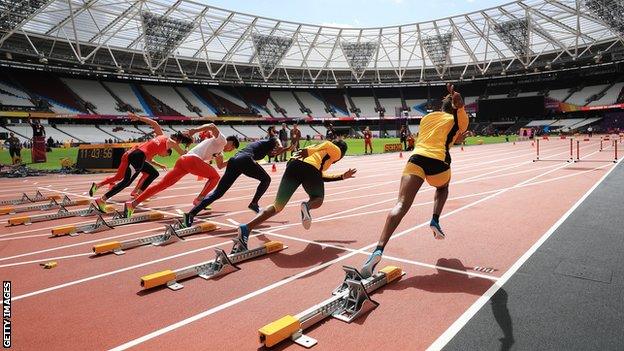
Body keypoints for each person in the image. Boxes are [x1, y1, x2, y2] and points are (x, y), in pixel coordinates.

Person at [360, 84, 469, 278]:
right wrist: (460, 107)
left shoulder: (426, 118)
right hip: (438, 162)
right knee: (443, 187)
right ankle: (435, 219)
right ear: (453, 108)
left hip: (416, 159)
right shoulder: (455, 117)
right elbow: (462, 127)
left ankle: (378, 249)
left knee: (401, 204)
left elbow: (440, 136)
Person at [232, 138, 356, 252]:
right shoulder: (336, 151)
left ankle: (246, 228)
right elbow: (328, 145)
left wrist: (342, 176)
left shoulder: (320, 154)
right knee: (318, 198)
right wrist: (308, 151)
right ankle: (306, 206)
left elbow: (319, 176)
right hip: (309, 168)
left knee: (278, 205)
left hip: (293, 167)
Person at [124, 124, 239, 218]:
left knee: (161, 185)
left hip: (183, 161)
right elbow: (212, 126)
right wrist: (195, 130)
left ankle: (132, 204)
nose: (231, 150)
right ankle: (199, 200)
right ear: (231, 143)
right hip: (192, 160)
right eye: (233, 148)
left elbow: (220, 165)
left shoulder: (219, 152)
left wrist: (234, 159)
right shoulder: (222, 140)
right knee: (215, 177)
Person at [182, 135, 292, 227]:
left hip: (234, 161)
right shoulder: (270, 141)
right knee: (266, 179)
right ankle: (254, 204)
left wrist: (286, 149)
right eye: (276, 148)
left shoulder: (263, 149)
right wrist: (281, 145)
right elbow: (275, 139)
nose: (276, 150)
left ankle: (190, 214)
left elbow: (273, 154)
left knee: (218, 193)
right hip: (244, 160)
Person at [90, 113, 191, 212]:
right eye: (180, 142)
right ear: (178, 140)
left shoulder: (161, 135)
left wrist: (138, 117)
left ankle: (138, 193)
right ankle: (102, 200)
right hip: (138, 156)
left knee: (153, 173)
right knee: (126, 182)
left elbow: (154, 123)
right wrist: (187, 145)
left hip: (136, 155)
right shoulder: (173, 143)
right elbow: (184, 155)